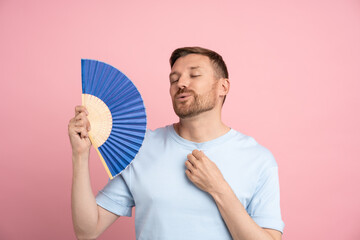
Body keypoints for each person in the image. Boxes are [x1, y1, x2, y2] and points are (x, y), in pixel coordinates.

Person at [68, 47, 285, 240]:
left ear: (223, 87)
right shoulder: (141, 148)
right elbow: (87, 231)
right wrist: (80, 155)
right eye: (174, 79)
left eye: (194, 75)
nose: (181, 83)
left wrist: (220, 189)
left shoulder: (258, 159)